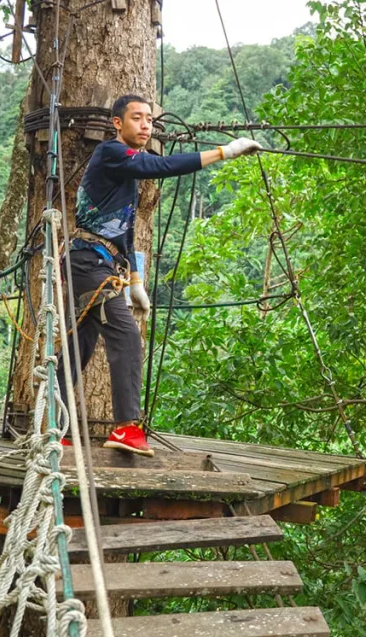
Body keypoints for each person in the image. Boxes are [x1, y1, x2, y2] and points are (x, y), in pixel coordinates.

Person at [59, 94, 260, 456]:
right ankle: (126, 428)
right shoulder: (111, 153)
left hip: (98, 262)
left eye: (150, 119)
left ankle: (52, 425)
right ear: (118, 123)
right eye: (137, 118)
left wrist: (135, 280)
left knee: (80, 346)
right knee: (125, 335)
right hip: (89, 263)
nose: (146, 125)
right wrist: (223, 153)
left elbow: (126, 228)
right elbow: (162, 166)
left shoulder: (126, 171)